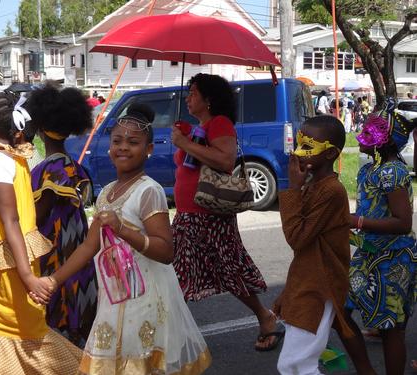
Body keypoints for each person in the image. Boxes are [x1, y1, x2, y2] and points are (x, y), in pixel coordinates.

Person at [33, 103, 211, 374]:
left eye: (133, 142)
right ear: (109, 147)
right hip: (113, 297)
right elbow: (89, 246)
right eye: (117, 141)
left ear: (149, 149)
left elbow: (166, 251)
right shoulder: (107, 193)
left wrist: (124, 230)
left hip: (145, 298)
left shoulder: (149, 191)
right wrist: (53, 281)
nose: (123, 147)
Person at [0, 91, 83, 374]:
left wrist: (27, 278)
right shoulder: (14, 158)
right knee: (23, 328)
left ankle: (73, 368)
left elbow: (11, 220)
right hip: (19, 258)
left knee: (15, 329)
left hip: (11, 264)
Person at [171, 73, 281, 351]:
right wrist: (185, 138)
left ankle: (264, 316)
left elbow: (225, 160)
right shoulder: (198, 127)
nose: (188, 97)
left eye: (193, 92)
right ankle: (170, 332)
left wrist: (185, 144)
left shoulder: (219, 123)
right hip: (187, 214)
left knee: (228, 271)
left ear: (208, 99)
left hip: (208, 214)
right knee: (176, 274)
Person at [340, 109, 417, 375]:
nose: (360, 134)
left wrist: (356, 221)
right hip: (368, 255)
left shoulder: (392, 172)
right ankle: (366, 369)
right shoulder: (370, 170)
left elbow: (403, 223)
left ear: (382, 140)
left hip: (392, 260)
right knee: (341, 311)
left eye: (367, 130)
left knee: (391, 329)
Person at [274, 115, 351, 374]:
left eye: (307, 147)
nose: (297, 153)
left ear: (329, 153)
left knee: (295, 364)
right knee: (295, 364)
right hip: (307, 282)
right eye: (298, 144)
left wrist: (293, 189)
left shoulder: (331, 191)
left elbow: (296, 238)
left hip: (320, 286)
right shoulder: (315, 185)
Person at [26, 83, 98, 346]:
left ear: (40, 128)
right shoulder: (71, 164)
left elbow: (37, 215)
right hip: (76, 253)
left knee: (62, 333)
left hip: (58, 255)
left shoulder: (52, 168)